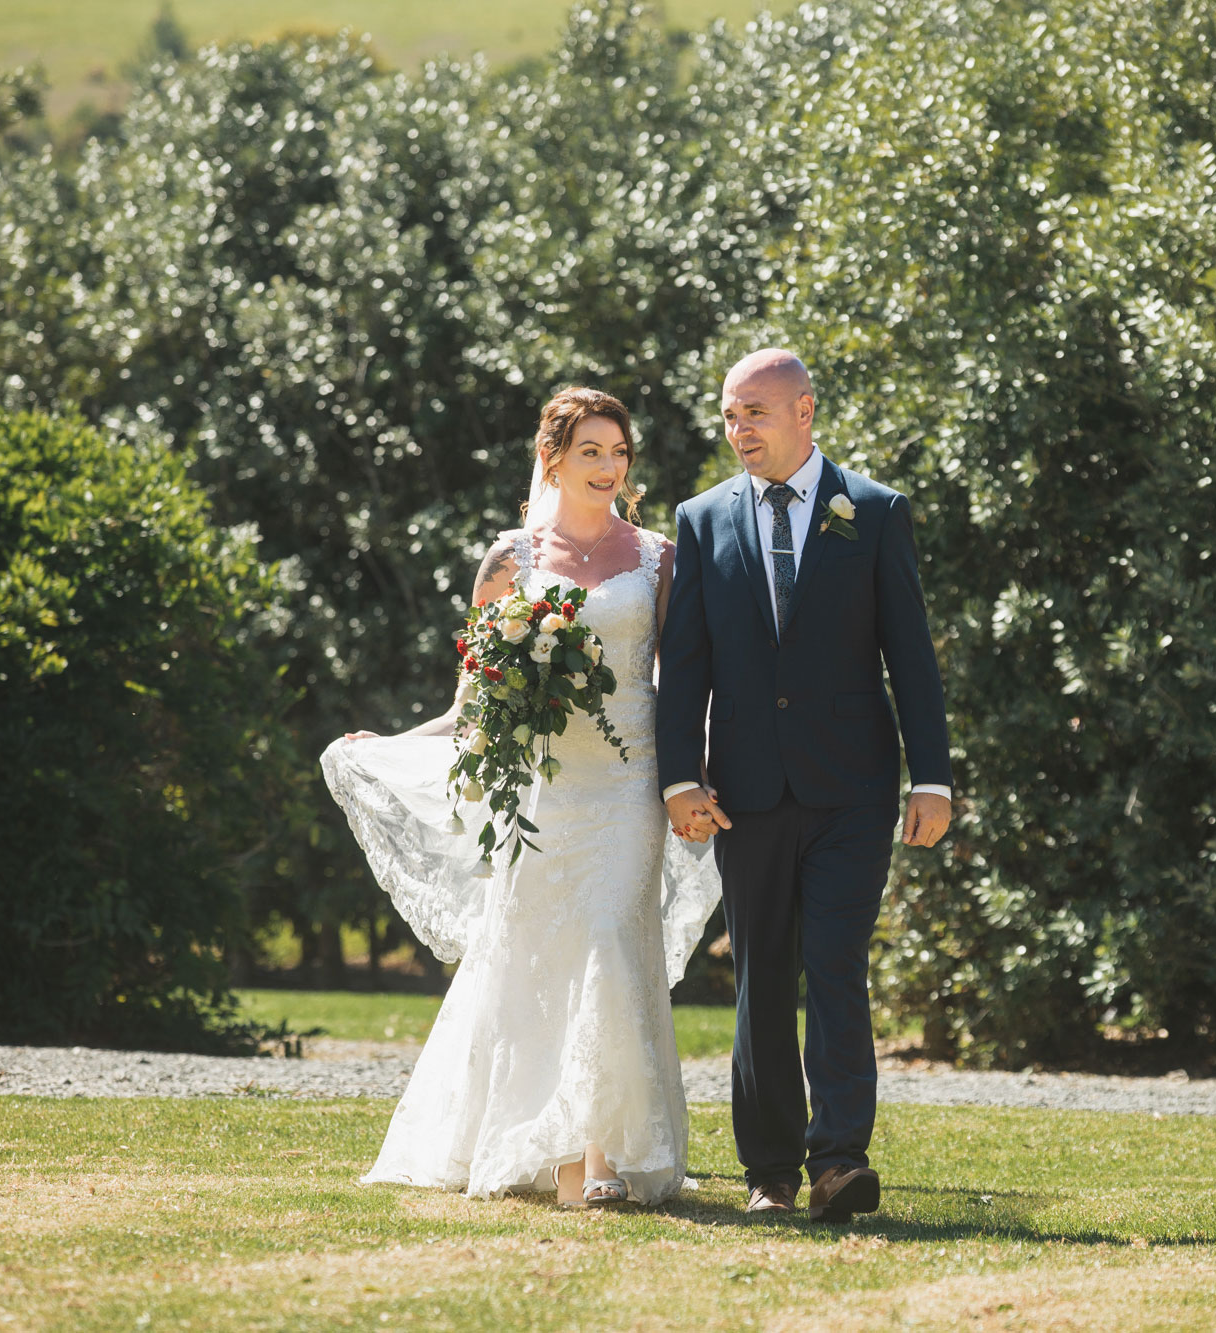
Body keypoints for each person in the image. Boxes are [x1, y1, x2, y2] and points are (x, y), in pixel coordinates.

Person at [320, 386, 720, 1209]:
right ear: (553, 459)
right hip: (543, 797)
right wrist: (393, 746)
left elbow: (676, 683)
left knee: (611, 943)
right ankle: (557, 1144)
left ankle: (600, 1158)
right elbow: (473, 702)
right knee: (545, 964)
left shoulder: (657, 556)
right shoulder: (510, 561)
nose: (609, 468)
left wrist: (697, 768)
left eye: (618, 453)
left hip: (627, 789)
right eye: (591, 453)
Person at [656, 349, 953, 1222]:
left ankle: (839, 1162)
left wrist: (930, 777)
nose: (738, 429)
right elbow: (688, 667)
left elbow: (912, 658)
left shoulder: (875, 512)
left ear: (805, 410)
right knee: (761, 977)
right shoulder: (703, 520)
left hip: (853, 790)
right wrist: (680, 777)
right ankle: (770, 1170)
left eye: (754, 412)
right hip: (744, 792)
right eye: (728, 416)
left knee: (835, 966)